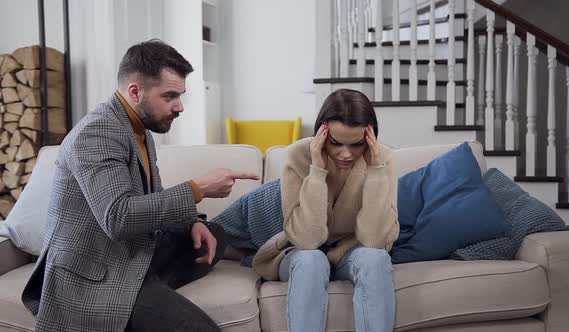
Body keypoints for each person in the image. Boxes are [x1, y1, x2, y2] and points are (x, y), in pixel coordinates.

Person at [21, 40, 259, 332]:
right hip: (96, 272)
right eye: (170, 96)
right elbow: (119, 217)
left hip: (130, 251)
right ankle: (141, 294)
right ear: (135, 91)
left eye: (180, 96)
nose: (179, 106)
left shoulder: (138, 128)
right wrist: (198, 188)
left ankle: (148, 286)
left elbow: (153, 194)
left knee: (212, 234)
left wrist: (189, 222)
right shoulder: (97, 133)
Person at [253, 88, 400, 332]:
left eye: (356, 145)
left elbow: (374, 240)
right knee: (311, 260)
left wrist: (375, 171)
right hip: (299, 253)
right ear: (322, 132)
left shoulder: (382, 157)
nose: (345, 154)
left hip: (349, 252)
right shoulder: (299, 155)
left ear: (370, 135)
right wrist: (317, 170)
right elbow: (307, 240)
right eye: (335, 143)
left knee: (375, 258)